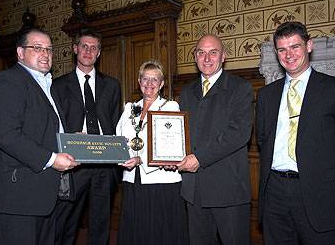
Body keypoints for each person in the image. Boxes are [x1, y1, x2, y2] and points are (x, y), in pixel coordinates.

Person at [256, 21, 335, 245]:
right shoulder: (267, 95)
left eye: (295, 47)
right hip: (275, 193)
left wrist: (325, 172)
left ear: (309, 46)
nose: (288, 55)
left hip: (321, 193)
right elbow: (263, 140)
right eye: (282, 49)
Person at [0, 28, 78, 245]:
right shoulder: (8, 81)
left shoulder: (48, 85)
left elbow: (43, 129)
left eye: (49, 49)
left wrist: (71, 139)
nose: (45, 53)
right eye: (37, 48)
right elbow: (5, 135)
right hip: (18, 196)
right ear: (20, 53)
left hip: (43, 195)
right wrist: (52, 159)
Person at [177, 34, 254, 245]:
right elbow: (180, 134)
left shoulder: (240, 88)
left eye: (213, 52)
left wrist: (199, 157)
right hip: (193, 190)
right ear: (195, 57)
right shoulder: (186, 92)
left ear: (223, 57)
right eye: (201, 52)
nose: (207, 58)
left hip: (227, 189)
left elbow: (238, 133)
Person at [52, 28, 121, 245]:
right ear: (75, 49)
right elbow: (54, 125)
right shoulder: (59, 85)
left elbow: (117, 123)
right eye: (84, 46)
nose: (88, 51)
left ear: (99, 53)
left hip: (105, 163)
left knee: (101, 223)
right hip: (74, 163)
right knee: (67, 222)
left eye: (94, 48)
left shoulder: (112, 85)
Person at [116, 60, 188, 245]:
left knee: (160, 231)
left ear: (162, 83)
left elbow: (170, 146)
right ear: (139, 81)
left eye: (154, 79)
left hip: (162, 181)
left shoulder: (170, 107)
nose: (149, 84)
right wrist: (119, 155)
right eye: (145, 79)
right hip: (132, 179)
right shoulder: (129, 108)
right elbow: (119, 139)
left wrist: (140, 159)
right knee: (137, 229)